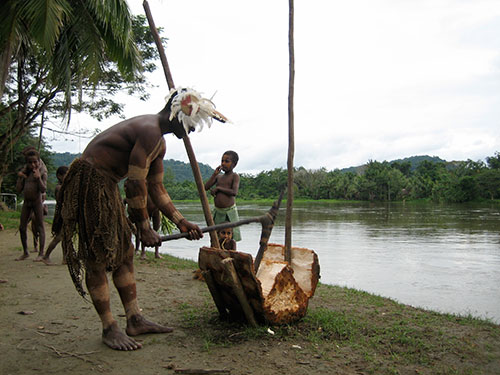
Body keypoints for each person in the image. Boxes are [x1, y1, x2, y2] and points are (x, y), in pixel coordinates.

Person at [52, 87, 227, 351]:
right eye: (191, 126)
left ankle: (134, 318)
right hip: (91, 182)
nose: (190, 133)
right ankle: (109, 327)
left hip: (106, 185)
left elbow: (156, 188)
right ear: (179, 116)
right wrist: (144, 227)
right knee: (98, 256)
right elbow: (134, 185)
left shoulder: (159, 142)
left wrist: (182, 222)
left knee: (125, 252)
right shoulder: (149, 131)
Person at [16, 148, 47, 261]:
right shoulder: (25, 173)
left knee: (40, 226)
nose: (33, 164)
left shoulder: (41, 173)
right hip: (26, 202)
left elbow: (43, 189)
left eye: (35, 162)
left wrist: (38, 178)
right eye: (30, 162)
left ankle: (41, 253)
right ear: (27, 163)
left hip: (37, 202)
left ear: (39, 162)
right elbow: (18, 189)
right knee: (22, 227)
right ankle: (25, 252)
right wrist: (20, 178)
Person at [204, 151, 241, 246]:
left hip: (230, 212)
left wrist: (218, 189)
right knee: (215, 235)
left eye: (227, 161)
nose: (223, 163)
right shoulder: (218, 177)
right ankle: (215, 253)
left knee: (230, 237)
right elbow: (205, 187)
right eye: (222, 161)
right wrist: (214, 174)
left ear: (234, 164)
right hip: (218, 212)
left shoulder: (234, 176)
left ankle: (231, 255)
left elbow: (234, 192)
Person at [42, 166, 69, 265]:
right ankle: (46, 256)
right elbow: (61, 201)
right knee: (59, 237)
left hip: (65, 214)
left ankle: (65, 258)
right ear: (59, 176)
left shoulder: (63, 187)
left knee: (66, 238)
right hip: (62, 215)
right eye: (65, 175)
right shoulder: (59, 188)